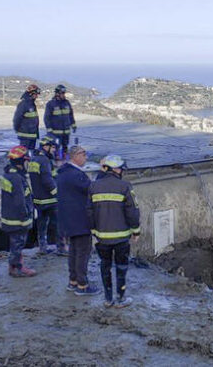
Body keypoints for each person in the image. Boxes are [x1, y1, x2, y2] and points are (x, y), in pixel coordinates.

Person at [86, 155, 140, 308]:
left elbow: (89, 212)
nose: (122, 171)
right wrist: (136, 231)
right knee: (121, 267)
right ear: (116, 169)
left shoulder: (93, 186)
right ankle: (120, 298)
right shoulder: (125, 186)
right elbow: (133, 212)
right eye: (121, 168)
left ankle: (108, 299)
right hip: (122, 237)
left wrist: (94, 231)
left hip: (102, 237)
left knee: (105, 266)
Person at [57, 145, 100, 296]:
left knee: (74, 251)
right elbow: (92, 188)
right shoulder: (75, 175)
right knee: (83, 252)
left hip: (68, 220)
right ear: (75, 156)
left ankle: (73, 281)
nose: (86, 157)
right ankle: (82, 285)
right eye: (83, 154)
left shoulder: (63, 172)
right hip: (79, 220)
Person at [1, 145, 37, 277]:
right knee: (18, 244)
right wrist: (26, 216)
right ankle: (18, 268)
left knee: (15, 243)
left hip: (9, 217)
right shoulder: (16, 178)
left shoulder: (8, 174)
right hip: (18, 219)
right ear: (22, 162)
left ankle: (13, 266)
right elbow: (19, 201)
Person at [28, 135, 67, 256]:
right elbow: (47, 180)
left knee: (41, 224)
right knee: (58, 223)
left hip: (39, 200)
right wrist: (58, 194)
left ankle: (42, 247)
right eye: (53, 147)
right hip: (50, 199)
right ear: (46, 147)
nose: (54, 150)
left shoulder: (34, 159)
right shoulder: (44, 160)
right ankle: (61, 248)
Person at [44, 85, 77, 159]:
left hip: (66, 131)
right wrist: (49, 129)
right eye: (62, 93)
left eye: (64, 93)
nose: (63, 95)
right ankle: (56, 160)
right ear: (57, 94)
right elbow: (47, 117)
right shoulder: (50, 104)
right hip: (56, 132)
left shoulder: (67, 103)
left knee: (65, 147)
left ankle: (65, 159)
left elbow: (70, 115)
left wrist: (73, 124)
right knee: (56, 147)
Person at [13, 84, 41, 150]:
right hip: (25, 137)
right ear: (31, 94)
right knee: (24, 155)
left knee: (30, 155)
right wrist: (18, 130)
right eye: (36, 94)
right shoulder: (24, 104)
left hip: (32, 136)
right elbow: (17, 119)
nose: (37, 96)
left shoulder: (32, 104)